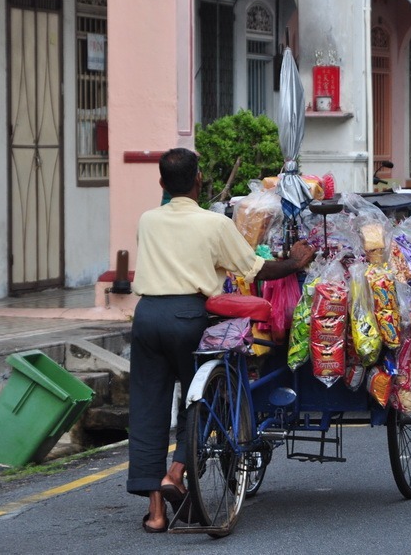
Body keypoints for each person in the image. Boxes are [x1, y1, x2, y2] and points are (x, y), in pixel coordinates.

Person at [127, 147, 315, 533]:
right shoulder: (214, 224)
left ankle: (157, 513)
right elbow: (255, 267)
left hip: (147, 317)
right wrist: (296, 263)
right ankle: (177, 471)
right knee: (203, 398)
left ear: (162, 183)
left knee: (148, 408)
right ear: (198, 180)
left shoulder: (147, 220)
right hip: (188, 316)